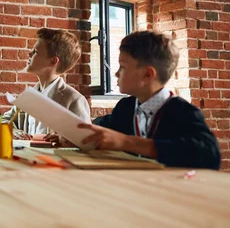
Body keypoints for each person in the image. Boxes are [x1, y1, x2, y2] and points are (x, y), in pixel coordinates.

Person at [80, 30, 221, 169]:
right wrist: (76, 137)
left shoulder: (184, 112)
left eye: (122, 67)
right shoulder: (125, 107)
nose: (117, 73)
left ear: (147, 74)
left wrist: (127, 142)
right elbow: (103, 132)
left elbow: (210, 155)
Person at [2, 28, 90, 138]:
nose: (29, 54)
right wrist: (15, 132)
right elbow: (3, 120)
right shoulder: (27, 96)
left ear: (52, 61)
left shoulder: (74, 100)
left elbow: (85, 140)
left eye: (35, 52)